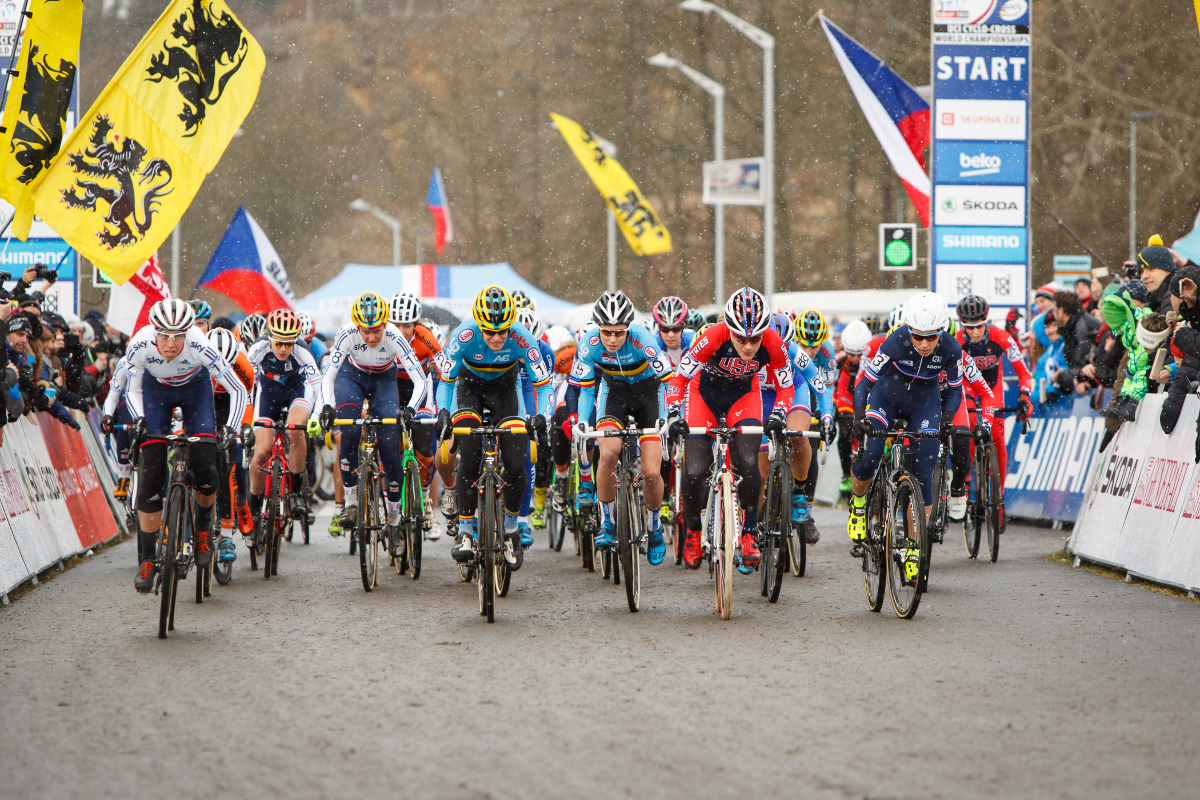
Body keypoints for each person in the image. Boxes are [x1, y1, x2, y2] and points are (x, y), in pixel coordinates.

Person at [124, 300, 249, 592]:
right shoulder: (140, 344)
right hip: (156, 393)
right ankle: (148, 557)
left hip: (196, 392)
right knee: (151, 474)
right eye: (164, 336)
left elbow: (237, 388)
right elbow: (132, 389)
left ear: (187, 333)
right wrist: (139, 418)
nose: (171, 343)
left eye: (178, 336)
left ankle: (203, 530)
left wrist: (230, 428)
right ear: (153, 332)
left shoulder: (199, 344)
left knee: (205, 464)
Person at [666, 287, 794, 573]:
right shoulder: (714, 336)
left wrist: (778, 414)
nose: (748, 346)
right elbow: (679, 379)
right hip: (703, 395)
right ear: (729, 330)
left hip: (743, 396)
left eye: (755, 339)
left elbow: (786, 387)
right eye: (740, 338)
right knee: (694, 470)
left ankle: (749, 533)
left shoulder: (774, 343)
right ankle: (693, 532)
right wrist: (673, 414)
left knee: (748, 462)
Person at [433, 286, 551, 569]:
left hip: (505, 392)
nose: (497, 338)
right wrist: (444, 413)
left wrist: (541, 416)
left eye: (503, 332)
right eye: (489, 332)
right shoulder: (463, 335)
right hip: (469, 389)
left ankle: (511, 529)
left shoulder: (522, 337)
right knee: (469, 455)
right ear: (479, 326)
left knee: (515, 461)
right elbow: (446, 382)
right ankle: (465, 530)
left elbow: (544, 385)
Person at [849, 293, 962, 583]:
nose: (924, 344)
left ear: (941, 332)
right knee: (871, 452)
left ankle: (914, 548)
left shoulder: (951, 348)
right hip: (886, 396)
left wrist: (948, 419)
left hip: (925, 402)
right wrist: (859, 415)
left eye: (931, 337)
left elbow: (955, 389)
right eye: (917, 336)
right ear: (908, 330)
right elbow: (864, 383)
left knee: (924, 471)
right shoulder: (895, 341)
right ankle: (858, 504)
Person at [568, 291, 673, 564]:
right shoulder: (588, 344)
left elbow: (668, 380)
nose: (612, 339)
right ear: (597, 327)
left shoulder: (643, 339)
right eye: (606, 332)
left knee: (651, 472)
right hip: (613, 394)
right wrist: (583, 420)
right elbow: (586, 390)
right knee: (607, 455)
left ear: (628, 328)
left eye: (619, 332)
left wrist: (665, 416)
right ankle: (607, 521)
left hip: (649, 395)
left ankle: (654, 527)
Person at [319, 292, 427, 541]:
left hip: (384, 381)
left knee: (390, 447)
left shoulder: (394, 336)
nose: (371, 337)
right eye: (365, 331)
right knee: (349, 431)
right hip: (351, 377)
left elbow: (420, 379)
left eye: (377, 331)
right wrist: (326, 406)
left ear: (385, 325)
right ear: (357, 326)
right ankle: (350, 502)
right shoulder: (347, 333)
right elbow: (329, 375)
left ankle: (393, 515)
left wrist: (410, 409)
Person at [953, 295, 1032, 518]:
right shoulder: (957, 341)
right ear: (962, 325)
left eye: (979, 326)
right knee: (968, 426)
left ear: (986, 321)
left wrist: (1025, 396)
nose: (975, 332)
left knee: (997, 436)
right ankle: (966, 484)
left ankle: (999, 497)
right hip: (968, 386)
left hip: (991, 386)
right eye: (970, 327)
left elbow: (1024, 373)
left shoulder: (1002, 337)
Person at [246, 309, 322, 524]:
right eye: (278, 342)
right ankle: (254, 503)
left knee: (295, 430)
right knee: (262, 453)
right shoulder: (258, 348)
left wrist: (317, 415)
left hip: (296, 390)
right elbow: (247, 386)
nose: (282, 348)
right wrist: (247, 419)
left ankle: (296, 493)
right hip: (267, 392)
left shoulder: (302, 351)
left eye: (288, 344)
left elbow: (318, 386)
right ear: (269, 337)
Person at [388, 292, 442, 539]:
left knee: (425, 452)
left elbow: (445, 369)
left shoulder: (425, 337)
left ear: (416, 324)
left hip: (419, 389)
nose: (401, 331)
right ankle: (386, 503)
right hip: (390, 387)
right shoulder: (383, 336)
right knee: (386, 446)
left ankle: (426, 503)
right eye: (396, 325)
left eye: (407, 326)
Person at [206, 327, 255, 564]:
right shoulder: (197, 360)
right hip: (207, 400)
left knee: (234, 456)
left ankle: (242, 503)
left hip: (233, 400)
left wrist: (245, 428)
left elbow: (246, 400)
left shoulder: (243, 367)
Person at [793, 309, 837, 542]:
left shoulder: (827, 353)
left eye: (815, 347)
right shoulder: (788, 346)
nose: (809, 353)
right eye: (804, 346)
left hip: (814, 391)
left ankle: (806, 512)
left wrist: (827, 418)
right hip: (791, 387)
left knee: (810, 445)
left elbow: (826, 390)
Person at [834, 319, 872, 496]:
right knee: (844, 433)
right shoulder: (839, 360)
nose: (856, 359)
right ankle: (845, 474)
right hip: (847, 397)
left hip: (867, 398)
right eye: (851, 354)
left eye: (860, 354)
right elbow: (834, 387)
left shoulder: (874, 358)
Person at [651, 296, 695, 369]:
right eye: (665, 329)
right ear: (658, 327)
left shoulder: (693, 340)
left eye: (676, 329)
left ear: (683, 326)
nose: (670, 335)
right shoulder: (652, 345)